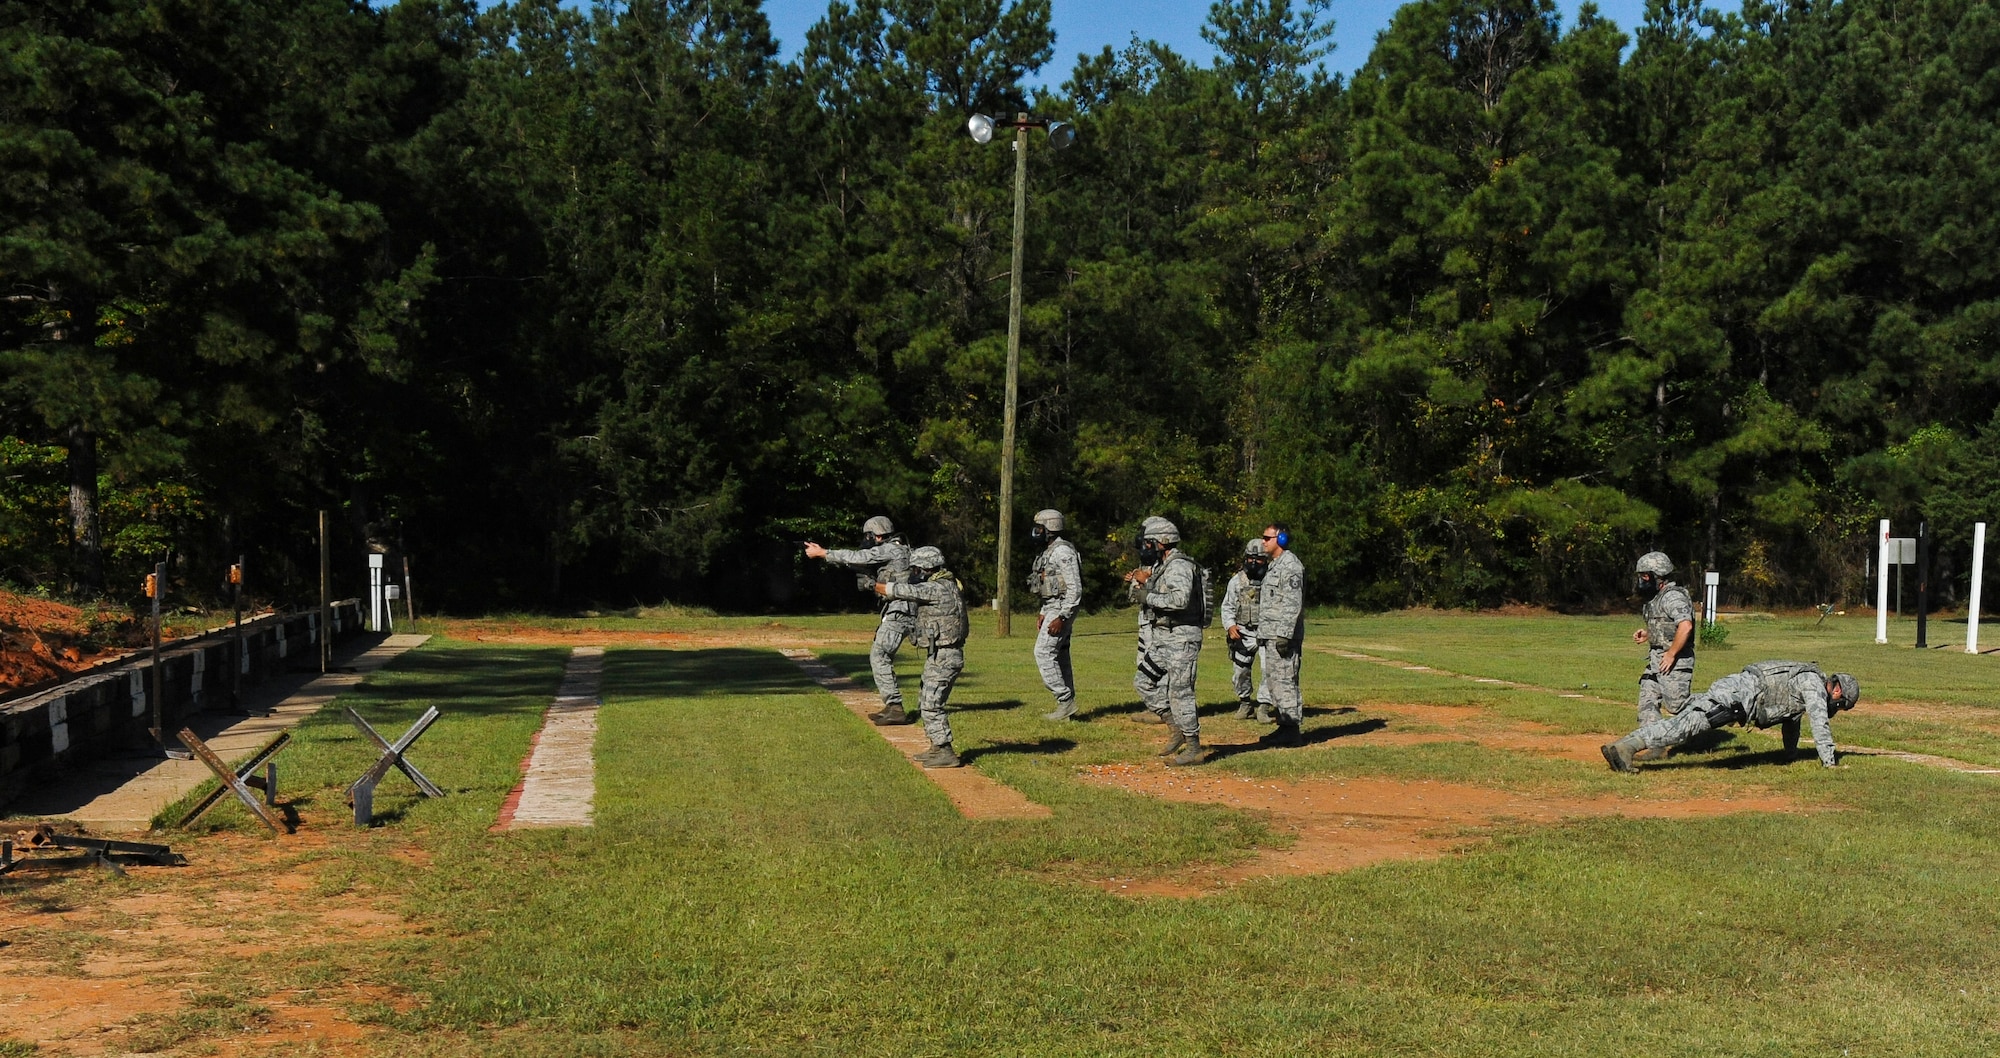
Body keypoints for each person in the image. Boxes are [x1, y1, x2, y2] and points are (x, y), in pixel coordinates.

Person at [1601, 661, 1860, 772]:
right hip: (1734, 699)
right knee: (1683, 728)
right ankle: (1626, 747)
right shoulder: (1813, 684)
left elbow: (1791, 720)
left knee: (1681, 723)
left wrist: (1790, 755)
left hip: (1735, 690)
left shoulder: (1806, 680)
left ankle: (1620, 747)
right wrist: (1830, 763)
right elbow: (1819, 722)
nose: (1837, 707)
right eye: (1841, 704)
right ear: (1837, 690)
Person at [804, 516, 916, 725]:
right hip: (898, 608)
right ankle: (892, 706)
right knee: (879, 654)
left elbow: (858, 556)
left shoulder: (891, 549)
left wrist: (823, 553)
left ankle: (895, 708)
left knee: (879, 654)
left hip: (900, 609)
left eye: (869, 536)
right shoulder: (900, 549)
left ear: (879, 535)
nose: (868, 539)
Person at [875, 547, 968, 768]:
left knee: (931, 704)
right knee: (926, 699)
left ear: (926, 568)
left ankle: (945, 751)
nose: (915, 573)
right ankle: (937, 747)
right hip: (942, 654)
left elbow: (900, 591)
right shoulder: (948, 584)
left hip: (945, 655)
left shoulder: (937, 588)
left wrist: (874, 585)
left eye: (917, 569)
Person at [1124, 516, 1206, 766]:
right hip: (1163, 638)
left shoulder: (1179, 566)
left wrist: (1146, 596)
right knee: (1143, 681)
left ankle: (1194, 747)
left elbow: (1179, 600)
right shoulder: (1164, 566)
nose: (1145, 548)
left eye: (1149, 543)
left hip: (1181, 638)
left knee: (1181, 692)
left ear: (1162, 542)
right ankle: (1175, 728)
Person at [1026, 509, 1084, 721]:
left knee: (1043, 653)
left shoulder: (1062, 552)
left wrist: (1063, 617)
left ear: (1051, 528)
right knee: (1060, 656)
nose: (1035, 533)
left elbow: (1074, 588)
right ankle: (1067, 707)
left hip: (1061, 609)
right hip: (1052, 607)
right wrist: (1043, 612)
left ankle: (1065, 701)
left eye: (1039, 528)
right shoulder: (1048, 552)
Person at [1255, 522, 1307, 747]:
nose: (1263, 542)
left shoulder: (1291, 566)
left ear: (1281, 539)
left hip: (1282, 637)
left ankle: (1292, 730)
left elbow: (1292, 603)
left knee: (1285, 681)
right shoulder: (1274, 566)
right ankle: (1284, 726)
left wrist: (1284, 635)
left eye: (1267, 538)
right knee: (1274, 682)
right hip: (1271, 635)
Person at [1220, 537, 1273, 722]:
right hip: (1243, 631)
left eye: (1258, 558)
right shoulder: (1237, 581)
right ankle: (1245, 703)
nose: (1253, 562)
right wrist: (1230, 625)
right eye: (1250, 557)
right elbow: (1227, 606)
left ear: (1265, 560)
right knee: (1240, 671)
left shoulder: (1273, 578)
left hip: (1267, 632)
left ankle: (1264, 707)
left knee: (1269, 669)